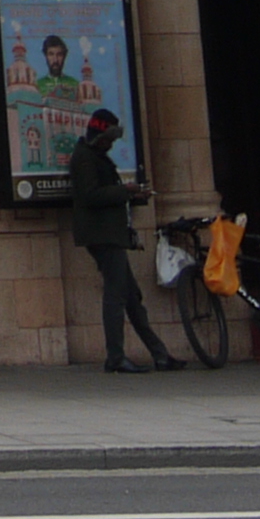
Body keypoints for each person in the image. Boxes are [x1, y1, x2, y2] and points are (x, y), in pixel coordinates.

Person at [67, 106, 178, 373]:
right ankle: (115, 357)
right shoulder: (84, 157)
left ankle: (160, 354)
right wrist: (124, 191)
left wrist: (134, 196)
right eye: (110, 139)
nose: (111, 144)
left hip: (110, 234)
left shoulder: (93, 155)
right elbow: (91, 196)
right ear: (100, 136)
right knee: (116, 296)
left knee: (130, 296)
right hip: (102, 235)